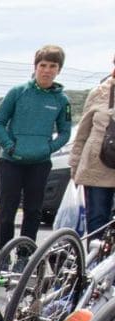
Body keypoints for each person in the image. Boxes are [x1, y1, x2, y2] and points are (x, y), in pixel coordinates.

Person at [0, 44, 72, 251]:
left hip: (40, 163)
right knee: (6, 209)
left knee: (34, 210)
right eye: (43, 65)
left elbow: (65, 132)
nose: (47, 70)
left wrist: (48, 148)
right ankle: (4, 251)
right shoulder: (17, 92)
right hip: (11, 162)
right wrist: (9, 146)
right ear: (35, 66)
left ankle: (25, 255)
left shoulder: (62, 100)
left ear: (59, 70)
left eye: (52, 66)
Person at [68, 54, 115, 232]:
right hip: (97, 167)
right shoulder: (100, 92)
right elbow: (82, 133)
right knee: (97, 221)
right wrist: (74, 165)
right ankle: (95, 259)